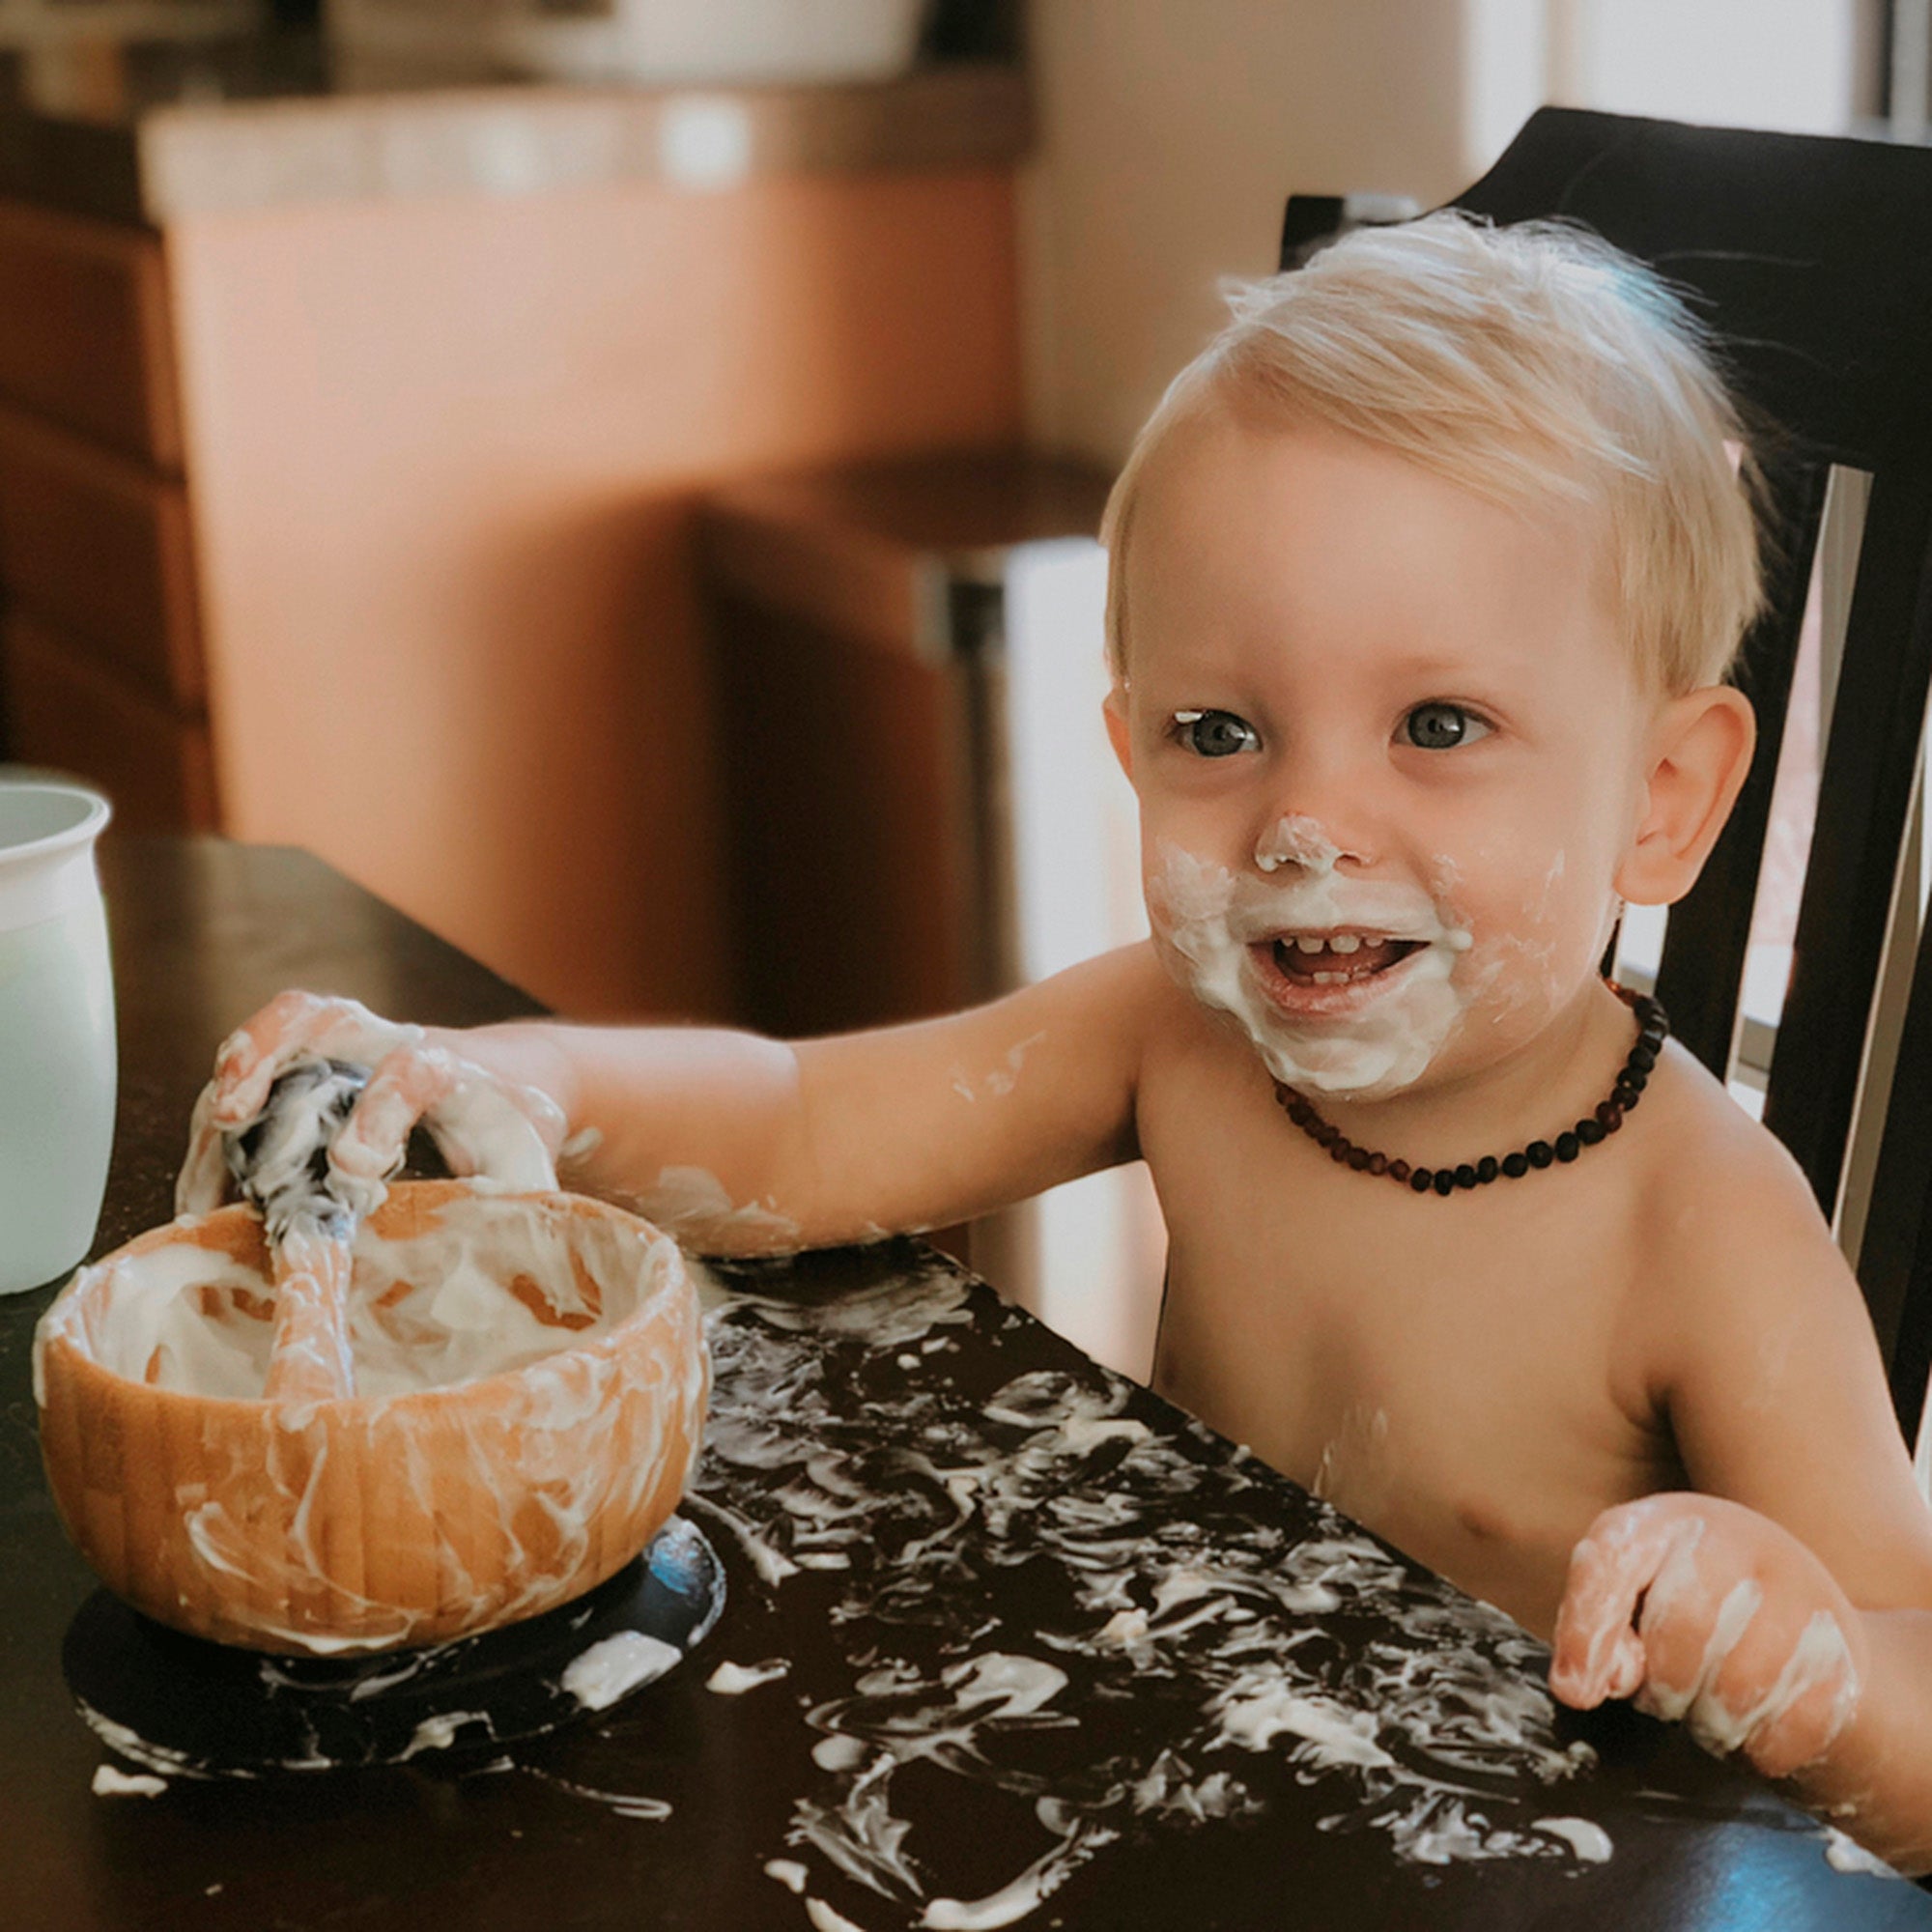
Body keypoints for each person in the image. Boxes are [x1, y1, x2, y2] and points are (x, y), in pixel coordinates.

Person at [181, 212, 1932, 1870]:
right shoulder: (1179, 1037)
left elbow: (1921, 1726)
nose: (1305, 822)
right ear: (1128, 743)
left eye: (1440, 724)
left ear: (1665, 797)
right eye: (1220, 730)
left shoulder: (1698, 1223)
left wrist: (1806, 1655)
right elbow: (799, 1128)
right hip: (1187, 1803)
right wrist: (528, 1087)